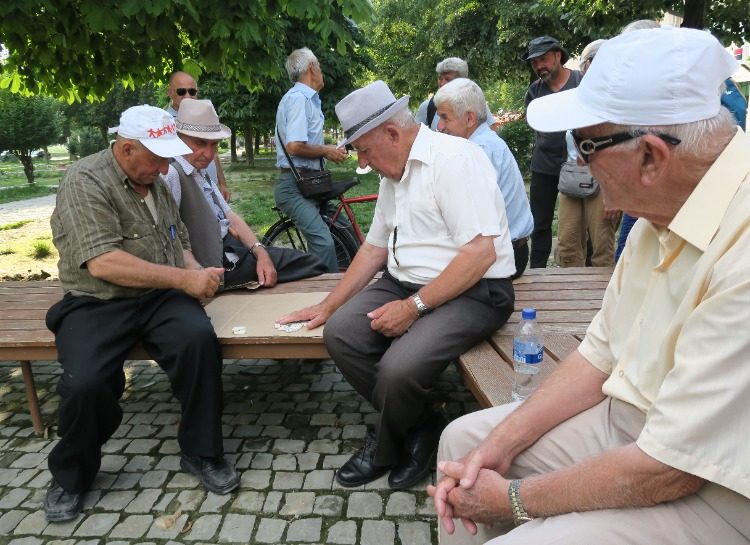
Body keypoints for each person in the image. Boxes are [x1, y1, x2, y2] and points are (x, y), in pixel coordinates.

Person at [429, 27, 750, 545]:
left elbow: (668, 468)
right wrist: (500, 445)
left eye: (585, 145)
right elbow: (599, 353)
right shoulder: (663, 207)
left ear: (650, 157)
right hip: (634, 427)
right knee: (464, 441)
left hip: (718, 488)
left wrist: (513, 498)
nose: (577, 164)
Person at [277, 80, 516, 491]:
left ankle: (387, 446)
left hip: (475, 290)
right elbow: (372, 249)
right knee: (341, 334)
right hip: (405, 281)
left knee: (397, 368)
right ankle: (423, 422)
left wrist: (414, 307)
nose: (364, 164)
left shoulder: (455, 159)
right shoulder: (394, 172)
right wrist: (329, 305)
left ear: (391, 132)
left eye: (365, 151)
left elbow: (480, 255)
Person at [44, 105, 240, 523]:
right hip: (96, 300)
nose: (166, 164)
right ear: (126, 148)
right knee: (86, 384)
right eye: (158, 156)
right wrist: (183, 281)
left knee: (198, 342)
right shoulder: (84, 181)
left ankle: (202, 452)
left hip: (157, 296)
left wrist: (196, 272)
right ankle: (71, 475)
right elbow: (102, 263)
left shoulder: (155, 180)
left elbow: (177, 241)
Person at [162, 99, 327, 290]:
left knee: (304, 262)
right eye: (200, 143)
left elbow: (230, 216)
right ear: (180, 137)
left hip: (232, 249)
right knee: (310, 264)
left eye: (214, 145)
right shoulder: (173, 174)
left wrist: (260, 251)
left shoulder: (199, 170)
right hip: (216, 265)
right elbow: (170, 239)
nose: (208, 154)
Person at [434, 77, 533, 277]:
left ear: (470, 118)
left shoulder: (477, 151)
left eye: (445, 118)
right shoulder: (483, 142)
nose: (439, 127)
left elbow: (465, 217)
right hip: (508, 250)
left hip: (502, 258)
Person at [275, 48, 347, 273]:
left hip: (310, 183)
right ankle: (325, 295)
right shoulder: (299, 99)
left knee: (341, 233)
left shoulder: (308, 100)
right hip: (295, 186)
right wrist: (326, 150)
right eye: (320, 67)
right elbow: (294, 146)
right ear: (312, 68)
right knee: (324, 242)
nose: (322, 72)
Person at [556, 39, 620, 267]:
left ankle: (602, 301)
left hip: (604, 180)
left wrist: (614, 193)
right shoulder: (576, 96)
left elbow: (622, 150)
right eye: (591, 62)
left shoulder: (616, 99)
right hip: (574, 175)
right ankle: (571, 300)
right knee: (567, 246)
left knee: (602, 249)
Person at [524, 36, 583, 268]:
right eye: (534, 62)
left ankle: (586, 274)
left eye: (543, 59)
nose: (539, 66)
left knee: (581, 226)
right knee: (539, 224)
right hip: (544, 166)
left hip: (580, 164)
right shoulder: (535, 91)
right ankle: (537, 271)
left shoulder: (581, 82)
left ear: (558, 55)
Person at [166, 70, 231, 202]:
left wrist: (222, 183)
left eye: (192, 91)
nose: (187, 96)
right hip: (190, 193)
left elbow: (214, 154)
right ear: (170, 92)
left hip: (210, 185)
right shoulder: (164, 123)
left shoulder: (203, 115)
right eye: (181, 92)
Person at [415, 57, 495, 131]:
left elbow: (492, 133)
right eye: (440, 78)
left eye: (447, 79)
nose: (442, 83)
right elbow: (415, 138)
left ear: (461, 81)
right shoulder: (428, 107)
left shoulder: (476, 105)